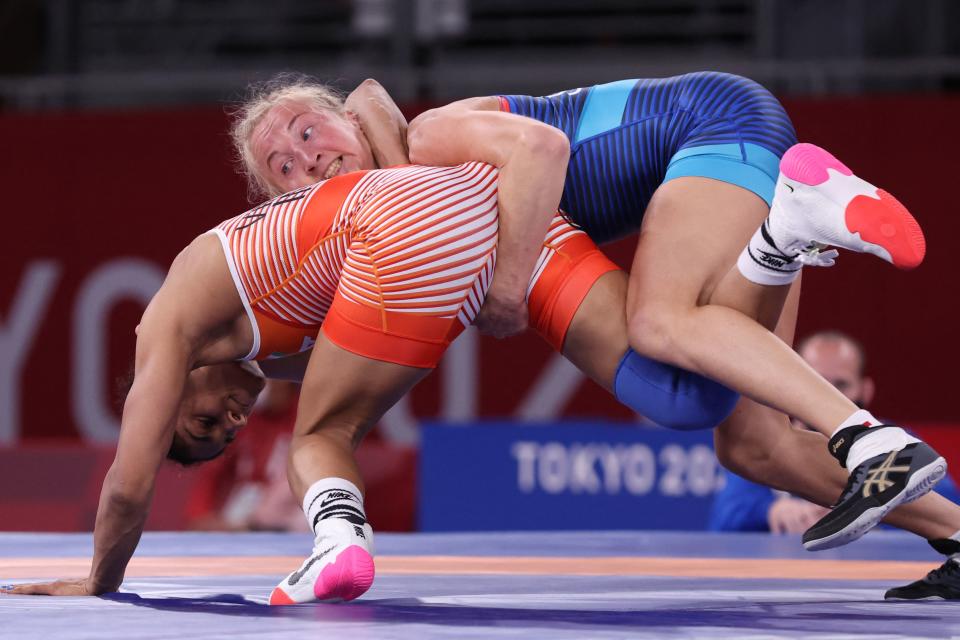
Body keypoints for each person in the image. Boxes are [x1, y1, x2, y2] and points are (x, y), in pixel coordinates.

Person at [233, 73, 952, 555]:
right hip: (732, 148)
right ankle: (953, 534)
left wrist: (510, 289)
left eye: (306, 132)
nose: (307, 161)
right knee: (755, 447)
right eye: (283, 169)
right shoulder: (397, 204)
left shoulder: (426, 137)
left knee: (660, 323)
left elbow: (542, 149)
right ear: (282, 204)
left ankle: (865, 435)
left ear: (342, 119)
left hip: (712, 124)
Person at [710, 330, 960, 534]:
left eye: (840, 384)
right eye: (816, 382)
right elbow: (724, 518)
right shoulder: (766, 444)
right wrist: (771, 511)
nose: (827, 396)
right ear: (787, 384)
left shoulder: (896, 443)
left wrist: (871, 516)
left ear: (865, 389)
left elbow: (948, 507)